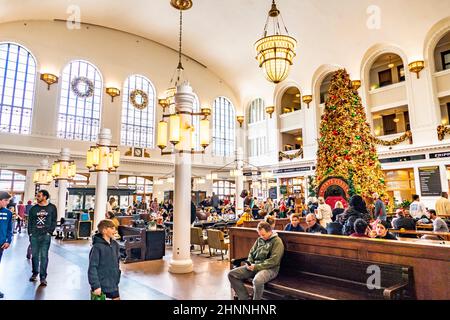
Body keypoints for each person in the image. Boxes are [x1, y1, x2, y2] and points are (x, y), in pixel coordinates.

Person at [228, 221, 284, 300]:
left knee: (257, 281)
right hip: (254, 266)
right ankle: (244, 298)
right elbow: (251, 252)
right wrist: (249, 262)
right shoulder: (259, 239)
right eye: (259, 234)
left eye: (263, 234)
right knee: (232, 274)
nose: (261, 236)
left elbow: (274, 261)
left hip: (270, 269)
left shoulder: (277, 241)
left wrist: (256, 266)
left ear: (270, 231)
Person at [27, 190, 57, 286]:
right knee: (35, 255)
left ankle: (43, 277)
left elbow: (54, 220)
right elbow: (30, 222)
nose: (37, 197)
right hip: (34, 235)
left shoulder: (52, 208)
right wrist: (30, 233)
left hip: (45, 236)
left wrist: (50, 232)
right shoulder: (33, 209)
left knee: (44, 256)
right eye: (37, 195)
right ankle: (35, 272)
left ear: (45, 197)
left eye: (39, 196)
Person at [88, 219, 121, 300]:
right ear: (104, 230)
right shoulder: (97, 247)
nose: (115, 230)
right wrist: (96, 285)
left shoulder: (115, 245)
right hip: (100, 284)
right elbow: (92, 267)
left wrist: (117, 275)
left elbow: (117, 262)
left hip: (113, 284)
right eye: (112, 228)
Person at [0, 191, 13, 299]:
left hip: (1, 245)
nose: (8, 203)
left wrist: (8, 241)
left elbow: (9, 229)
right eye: (6, 200)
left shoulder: (8, 213)